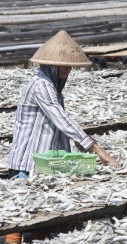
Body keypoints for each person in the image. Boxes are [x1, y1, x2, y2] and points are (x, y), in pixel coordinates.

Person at [5, 30, 120, 244]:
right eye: (65, 66)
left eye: (69, 67)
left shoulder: (53, 87)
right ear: (52, 66)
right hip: (27, 163)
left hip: (45, 161)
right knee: (21, 215)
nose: (68, 71)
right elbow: (61, 120)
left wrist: (70, 158)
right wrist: (96, 149)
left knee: (43, 214)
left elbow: (58, 128)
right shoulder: (42, 85)